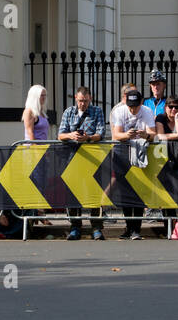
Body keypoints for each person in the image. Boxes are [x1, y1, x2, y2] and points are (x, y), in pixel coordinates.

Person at [57, 86, 106, 240]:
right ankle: (75, 226)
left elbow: (101, 133)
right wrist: (71, 135)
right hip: (72, 158)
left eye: (85, 101)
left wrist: (88, 138)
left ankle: (96, 227)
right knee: (73, 193)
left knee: (94, 192)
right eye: (80, 101)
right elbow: (60, 135)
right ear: (75, 100)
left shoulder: (97, 111)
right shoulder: (68, 112)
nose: (82, 104)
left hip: (92, 158)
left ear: (90, 99)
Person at [110, 87, 156, 239]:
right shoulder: (119, 111)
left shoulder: (147, 111)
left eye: (136, 106)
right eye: (130, 106)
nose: (133, 109)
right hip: (123, 149)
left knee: (139, 189)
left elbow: (153, 135)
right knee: (124, 190)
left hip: (140, 150)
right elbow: (116, 135)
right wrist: (126, 135)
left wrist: (145, 134)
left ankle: (136, 228)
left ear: (141, 103)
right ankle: (129, 227)